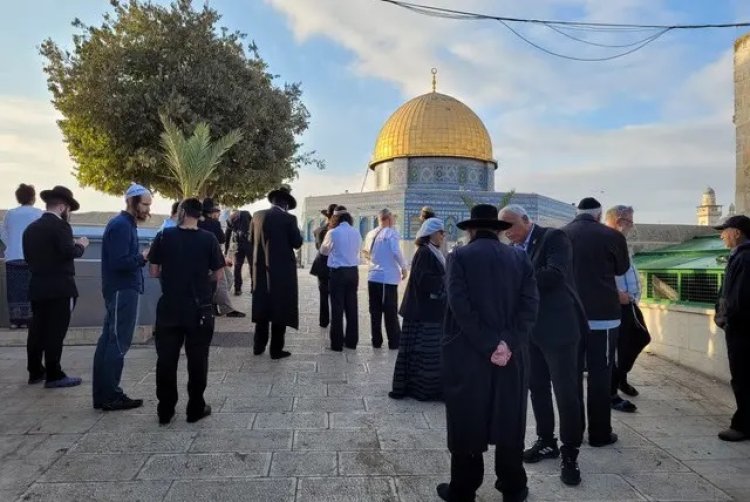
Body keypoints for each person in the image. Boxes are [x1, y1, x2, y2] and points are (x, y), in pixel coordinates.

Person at [438, 204, 538, 502]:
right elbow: (530, 307)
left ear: (470, 230)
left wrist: (487, 344)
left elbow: (460, 306)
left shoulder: (459, 257)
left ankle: (464, 488)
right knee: (509, 417)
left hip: (469, 354)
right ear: (499, 230)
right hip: (512, 355)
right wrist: (507, 343)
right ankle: (513, 487)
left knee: (468, 417)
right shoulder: (520, 258)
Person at [500, 204, 584, 486]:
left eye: (511, 224)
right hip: (530, 332)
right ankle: (546, 440)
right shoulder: (512, 250)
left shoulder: (553, 238)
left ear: (526, 220)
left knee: (565, 392)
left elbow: (554, 275)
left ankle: (570, 452)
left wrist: (515, 280)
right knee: (537, 389)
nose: (507, 232)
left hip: (558, 329)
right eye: (503, 228)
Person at [148, 198, 225, 424]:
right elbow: (218, 274)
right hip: (199, 308)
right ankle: (195, 408)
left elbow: (153, 271)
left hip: (170, 307)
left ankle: (165, 410)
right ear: (200, 215)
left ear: (181, 212)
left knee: (166, 360)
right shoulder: (208, 239)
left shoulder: (164, 236)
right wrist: (202, 282)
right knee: (198, 360)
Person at [563, 197, 630, 447]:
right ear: (600, 215)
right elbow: (622, 268)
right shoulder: (612, 236)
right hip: (603, 317)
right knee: (599, 376)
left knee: (571, 376)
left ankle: (574, 432)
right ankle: (600, 434)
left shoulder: (560, 235)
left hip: (570, 318)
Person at [92, 183, 152, 411]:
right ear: (132, 202)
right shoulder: (122, 226)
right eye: (145, 204)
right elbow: (120, 262)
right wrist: (142, 257)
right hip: (122, 289)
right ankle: (110, 395)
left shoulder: (123, 224)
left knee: (109, 340)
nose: (147, 209)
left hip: (120, 289)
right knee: (117, 342)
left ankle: (103, 394)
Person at [22, 186, 89, 388]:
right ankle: (54, 373)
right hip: (60, 287)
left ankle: (35, 371)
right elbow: (68, 252)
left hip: (37, 286)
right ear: (62, 208)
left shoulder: (30, 229)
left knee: (37, 330)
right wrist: (81, 245)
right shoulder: (61, 227)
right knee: (55, 331)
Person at [390, 217, 446, 401]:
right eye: (441, 232)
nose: (443, 236)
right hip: (423, 311)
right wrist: (447, 282)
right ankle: (422, 390)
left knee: (425, 352)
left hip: (426, 310)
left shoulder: (431, 251)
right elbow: (424, 280)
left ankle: (425, 388)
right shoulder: (425, 253)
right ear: (432, 234)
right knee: (424, 351)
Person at [605, 205, 651, 414]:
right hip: (616, 304)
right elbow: (598, 274)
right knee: (622, 347)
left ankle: (621, 377)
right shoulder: (605, 240)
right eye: (630, 222)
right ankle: (611, 392)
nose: (632, 226)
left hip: (629, 303)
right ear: (619, 221)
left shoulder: (620, 240)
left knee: (640, 338)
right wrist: (615, 295)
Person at [249, 186, 303, 359]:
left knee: (262, 307)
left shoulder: (256, 216)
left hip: (259, 271)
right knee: (280, 308)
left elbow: (251, 240)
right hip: (281, 273)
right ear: (286, 204)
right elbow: (296, 242)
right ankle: (276, 349)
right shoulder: (289, 219)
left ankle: (258, 346)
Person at [713, 215, 750, 441]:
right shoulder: (741, 256)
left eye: (725, 231)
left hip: (742, 330)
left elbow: (739, 298)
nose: (722, 235)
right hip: (741, 327)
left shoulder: (744, 258)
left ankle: (743, 425)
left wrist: (726, 319)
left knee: (743, 376)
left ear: (737, 233)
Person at [363, 209, 408, 349]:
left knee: (375, 311)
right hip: (386, 278)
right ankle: (394, 342)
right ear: (387, 218)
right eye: (393, 218)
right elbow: (395, 251)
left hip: (373, 276)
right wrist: (404, 267)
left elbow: (365, 253)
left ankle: (376, 341)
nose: (394, 220)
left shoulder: (370, 234)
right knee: (390, 311)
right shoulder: (391, 233)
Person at [320, 206, 362, 351]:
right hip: (353, 272)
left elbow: (323, 251)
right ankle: (351, 342)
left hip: (338, 273)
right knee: (352, 307)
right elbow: (357, 249)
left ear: (335, 218)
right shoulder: (356, 232)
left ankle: (337, 344)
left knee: (337, 308)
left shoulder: (333, 232)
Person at [2, 184, 43, 328]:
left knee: (14, 290)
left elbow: (3, 233)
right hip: (32, 257)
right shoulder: (38, 213)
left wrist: (11, 244)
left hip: (13, 256)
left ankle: (15, 320)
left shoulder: (10, 214)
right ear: (33, 197)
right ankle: (28, 319)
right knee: (31, 288)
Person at [310, 204, 337, 328]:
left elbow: (318, 247)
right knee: (337, 296)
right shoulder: (337, 231)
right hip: (336, 266)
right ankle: (336, 321)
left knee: (324, 295)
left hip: (322, 266)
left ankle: (323, 321)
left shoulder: (318, 231)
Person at [226, 210, 252, 296]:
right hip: (238, 245)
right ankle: (237, 288)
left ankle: (254, 287)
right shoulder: (229, 220)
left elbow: (253, 226)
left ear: (238, 214)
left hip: (249, 244)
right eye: (232, 219)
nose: (234, 221)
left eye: (235, 219)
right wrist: (226, 250)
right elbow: (227, 235)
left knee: (252, 265)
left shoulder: (245, 214)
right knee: (237, 266)